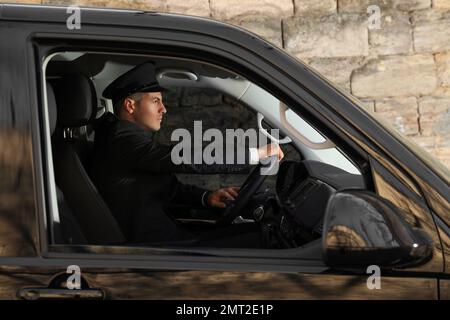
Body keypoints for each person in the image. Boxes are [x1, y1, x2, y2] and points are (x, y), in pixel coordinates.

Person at [90, 61, 283, 246]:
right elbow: (184, 157)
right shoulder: (121, 140)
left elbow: (165, 188)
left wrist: (207, 197)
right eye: (156, 101)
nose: (163, 109)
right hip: (154, 248)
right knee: (263, 240)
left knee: (252, 234)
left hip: (165, 235)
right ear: (131, 106)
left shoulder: (124, 137)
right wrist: (256, 154)